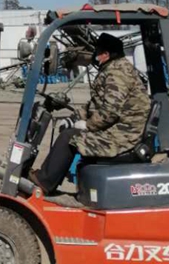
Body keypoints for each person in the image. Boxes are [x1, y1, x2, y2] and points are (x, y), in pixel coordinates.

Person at [30, 32, 151, 195]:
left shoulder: (117, 73)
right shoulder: (114, 68)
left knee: (69, 138)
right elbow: (95, 105)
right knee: (69, 132)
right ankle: (47, 180)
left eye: (97, 52)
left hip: (122, 136)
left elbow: (110, 112)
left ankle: (43, 182)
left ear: (106, 54)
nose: (95, 55)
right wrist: (74, 118)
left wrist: (88, 125)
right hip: (118, 130)